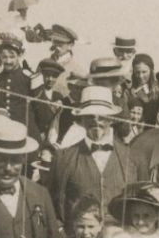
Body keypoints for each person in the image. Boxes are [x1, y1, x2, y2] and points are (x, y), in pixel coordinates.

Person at [50, 86, 138, 227]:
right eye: (90, 116)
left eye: (102, 116)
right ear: (82, 120)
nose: (96, 121)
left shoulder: (130, 157)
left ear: (111, 119)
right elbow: (55, 209)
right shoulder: (63, 158)